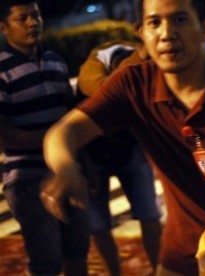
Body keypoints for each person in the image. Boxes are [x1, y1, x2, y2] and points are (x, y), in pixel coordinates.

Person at [40, 0, 205, 274]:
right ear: (141, 32)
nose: (166, 33)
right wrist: (66, 169)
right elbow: (64, 131)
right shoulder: (133, 85)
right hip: (182, 253)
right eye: (154, 22)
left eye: (180, 20)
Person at [0, 0, 89, 275]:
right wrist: (56, 139)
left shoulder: (56, 61)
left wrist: (85, 163)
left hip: (67, 172)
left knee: (78, 252)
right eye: (22, 18)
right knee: (46, 261)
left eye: (36, 15)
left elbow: (72, 116)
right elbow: (6, 137)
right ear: (3, 27)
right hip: (27, 180)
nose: (32, 23)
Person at [78, 38, 162, 275]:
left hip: (131, 149)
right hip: (94, 152)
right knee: (98, 223)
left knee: (149, 213)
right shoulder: (93, 76)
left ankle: (159, 269)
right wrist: (84, 165)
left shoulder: (150, 71)